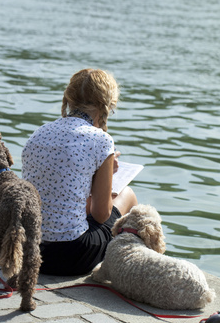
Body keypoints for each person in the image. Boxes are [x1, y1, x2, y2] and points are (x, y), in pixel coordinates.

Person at [22, 68, 137, 276]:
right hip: (69, 255)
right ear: (107, 106)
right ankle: (131, 265)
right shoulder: (101, 141)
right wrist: (108, 176)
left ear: (69, 99)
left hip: (28, 251)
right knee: (127, 194)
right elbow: (101, 216)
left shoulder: (40, 132)